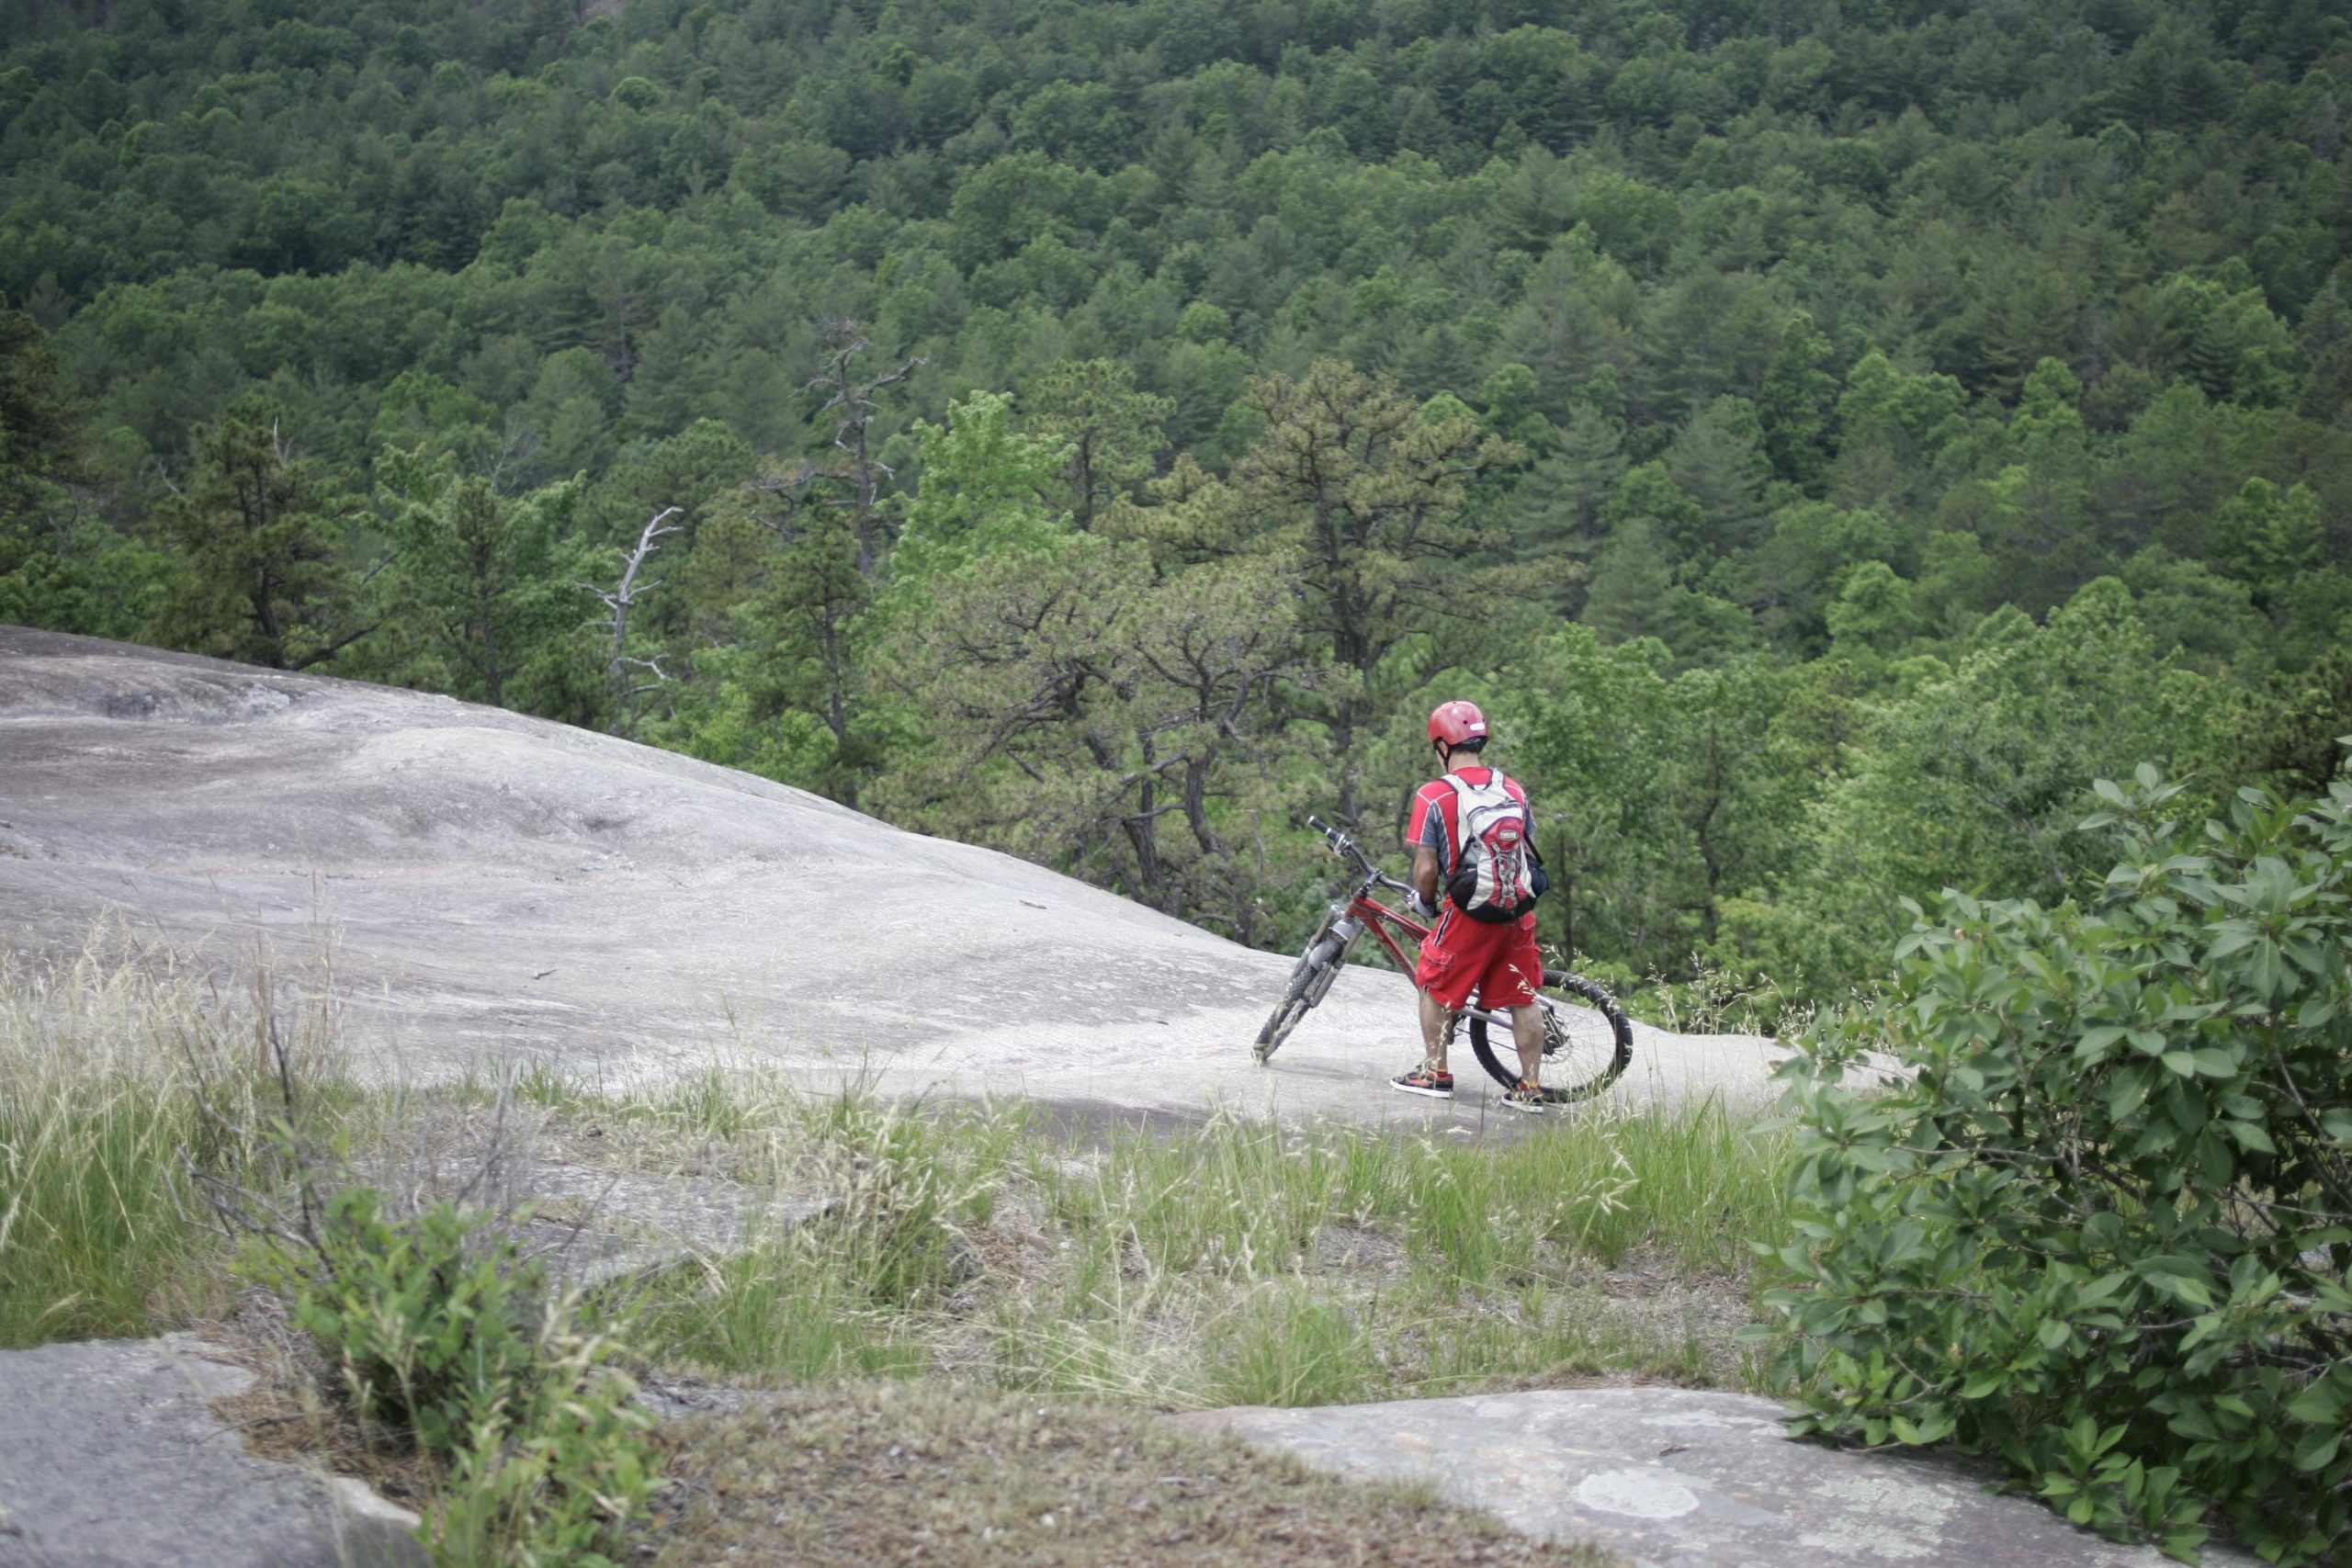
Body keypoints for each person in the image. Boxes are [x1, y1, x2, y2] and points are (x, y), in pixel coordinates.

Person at [1392, 700, 1551, 1112]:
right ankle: (1529, 1087)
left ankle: (1434, 1072)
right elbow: (1525, 849)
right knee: (1522, 995)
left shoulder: (1433, 795)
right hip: (1517, 907)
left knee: (1433, 981)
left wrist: (1426, 904)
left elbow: (1427, 869)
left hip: (1469, 912)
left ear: (1443, 745)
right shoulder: (1512, 788)